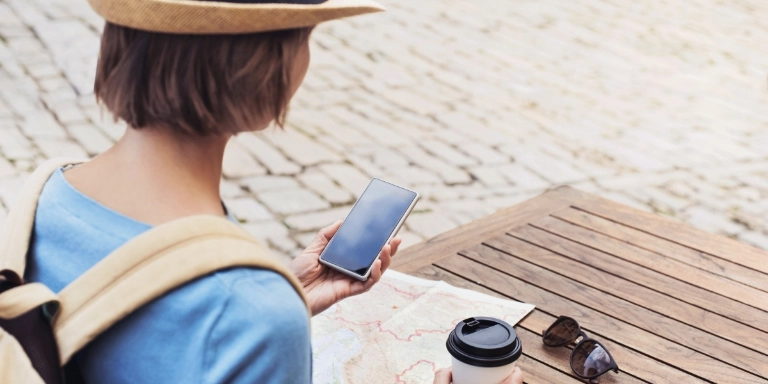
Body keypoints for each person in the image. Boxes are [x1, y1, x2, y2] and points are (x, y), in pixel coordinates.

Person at [23, 0, 525, 382]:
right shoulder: (252, 313)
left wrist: (277, 294)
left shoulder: (41, 196)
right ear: (267, 67)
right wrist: (260, 313)